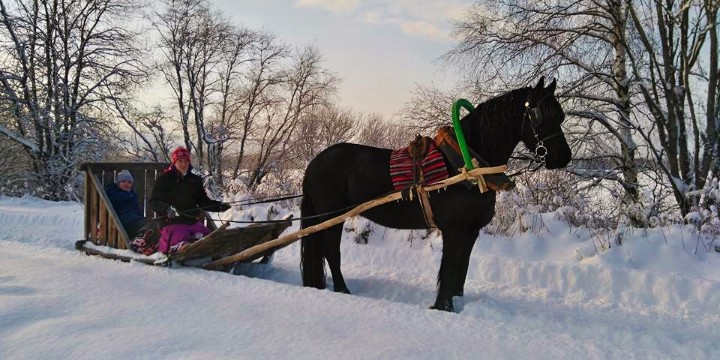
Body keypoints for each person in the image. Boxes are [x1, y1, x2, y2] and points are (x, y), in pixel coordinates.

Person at [149, 146, 231, 254]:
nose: (183, 164)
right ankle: (184, 252)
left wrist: (219, 206)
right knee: (183, 241)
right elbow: (153, 201)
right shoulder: (164, 179)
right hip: (171, 223)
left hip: (192, 222)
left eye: (186, 161)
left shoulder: (195, 180)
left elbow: (203, 202)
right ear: (174, 162)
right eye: (180, 161)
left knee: (209, 239)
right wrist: (167, 209)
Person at [105, 170, 147, 239]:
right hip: (122, 222)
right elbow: (115, 198)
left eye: (129, 182)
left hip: (134, 219)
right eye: (123, 181)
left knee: (150, 225)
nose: (126, 184)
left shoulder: (132, 195)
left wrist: (141, 217)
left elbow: (138, 210)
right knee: (145, 226)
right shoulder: (112, 193)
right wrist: (130, 195)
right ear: (118, 183)